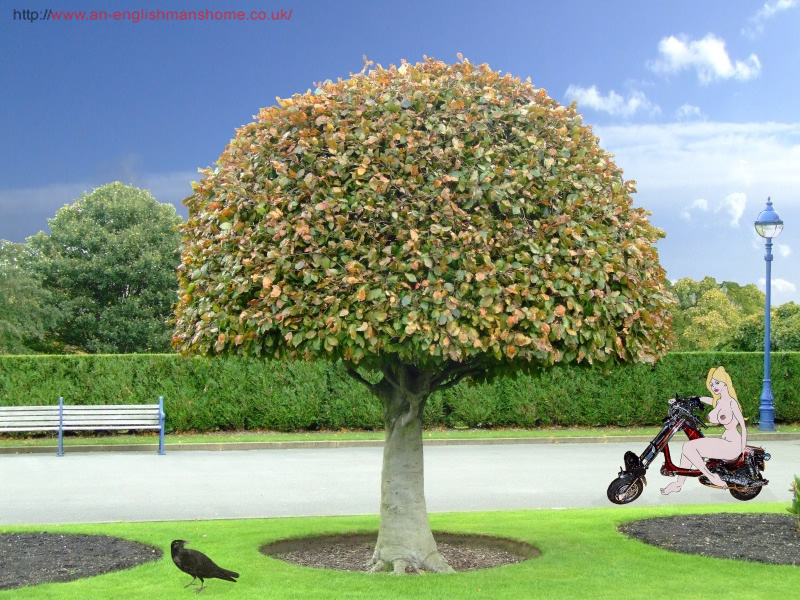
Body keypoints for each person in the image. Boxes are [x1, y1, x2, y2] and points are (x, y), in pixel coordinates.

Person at [660, 366, 747, 494]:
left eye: (717, 382)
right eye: (712, 384)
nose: (714, 386)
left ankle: (712, 477)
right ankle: (678, 484)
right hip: (725, 441)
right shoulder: (719, 401)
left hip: (732, 445)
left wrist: (742, 450)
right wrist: (681, 401)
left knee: (688, 447)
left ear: (725, 383)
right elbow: (701, 398)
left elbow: (743, 426)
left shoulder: (731, 403)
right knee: (687, 452)